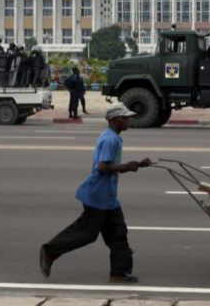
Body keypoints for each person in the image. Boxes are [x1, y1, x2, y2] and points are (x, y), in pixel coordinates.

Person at [40, 102, 152, 283]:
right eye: (125, 118)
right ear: (115, 120)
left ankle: (118, 272)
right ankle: (49, 251)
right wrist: (127, 166)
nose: (129, 121)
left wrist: (137, 164)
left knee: (118, 233)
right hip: (98, 195)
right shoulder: (110, 139)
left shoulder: (113, 136)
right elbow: (102, 167)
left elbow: (111, 166)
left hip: (108, 197)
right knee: (87, 233)